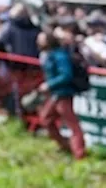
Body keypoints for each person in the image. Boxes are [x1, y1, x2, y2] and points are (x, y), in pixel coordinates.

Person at [36, 31, 87, 159]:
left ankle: (79, 154)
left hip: (63, 93)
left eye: (41, 39)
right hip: (55, 94)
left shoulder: (60, 56)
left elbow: (66, 75)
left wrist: (49, 84)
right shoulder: (49, 55)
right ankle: (65, 145)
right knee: (46, 119)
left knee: (72, 124)